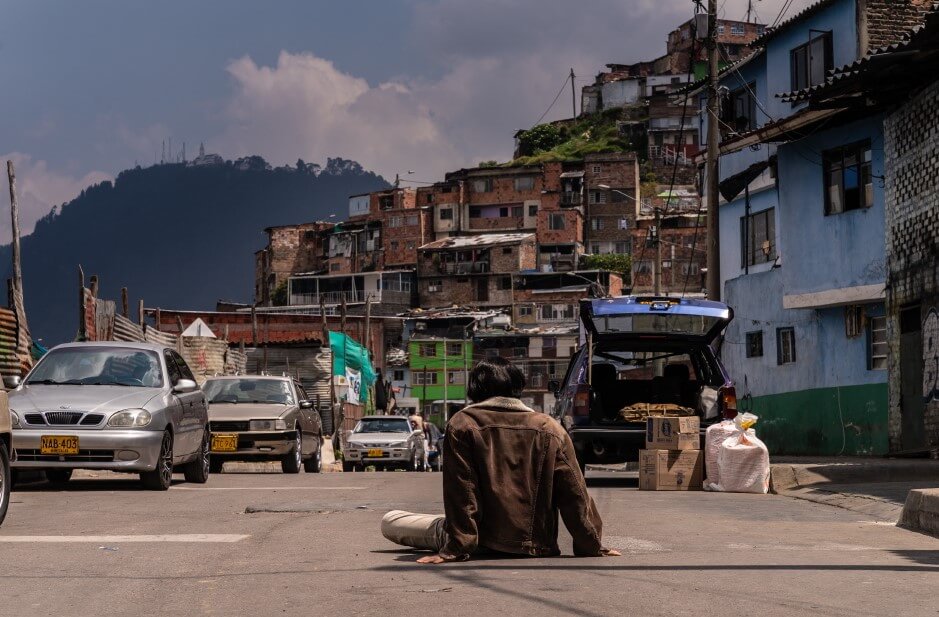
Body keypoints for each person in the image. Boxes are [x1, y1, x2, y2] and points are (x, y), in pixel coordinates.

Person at [381, 357, 620, 563]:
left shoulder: (463, 423)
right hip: (537, 545)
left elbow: (462, 490)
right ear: (518, 387)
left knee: (391, 521)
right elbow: (575, 493)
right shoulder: (550, 428)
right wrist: (591, 545)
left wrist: (456, 548)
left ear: (474, 390)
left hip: (478, 542)